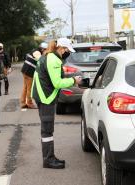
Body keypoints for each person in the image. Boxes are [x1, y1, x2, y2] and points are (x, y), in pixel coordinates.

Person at [31, 38, 82, 169]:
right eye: (67, 50)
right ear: (61, 48)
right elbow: (57, 83)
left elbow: (53, 77)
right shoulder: (53, 59)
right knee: (47, 130)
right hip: (46, 98)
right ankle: (48, 160)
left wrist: (70, 77)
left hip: (42, 95)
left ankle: (50, 157)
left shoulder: (47, 56)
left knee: (47, 129)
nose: (67, 53)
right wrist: (73, 81)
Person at [20, 42, 48, 109]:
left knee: (25, 87)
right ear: (42, 49)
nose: (46, 51)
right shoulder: (37, 52)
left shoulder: (35, 51)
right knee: (30, 88)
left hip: (25, 71)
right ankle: (29, 103)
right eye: (45, 50)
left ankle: (23, 103)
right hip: (29, 72)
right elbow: (41, 60)